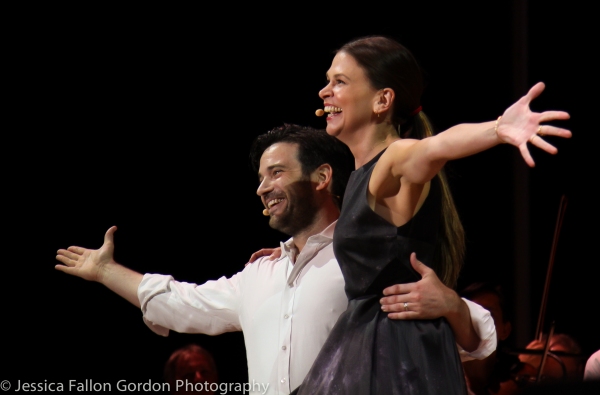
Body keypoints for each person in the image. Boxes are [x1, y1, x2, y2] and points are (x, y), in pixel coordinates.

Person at [55, 124, 496, 395]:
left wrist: (452, 305)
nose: (262, 188)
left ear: (322, 177)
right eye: (260, 177)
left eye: (277, 172)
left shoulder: (365, 260)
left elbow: (475, 336)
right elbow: (180, 302)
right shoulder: (259, 274)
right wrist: (104, 270)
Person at [293, 35, 571, 395]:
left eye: (340, 82)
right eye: (328, 80)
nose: (324, 91)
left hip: (395, 356)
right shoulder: (364, 175)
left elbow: (435, 148)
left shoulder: (394, 157)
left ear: (382, 100)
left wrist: (498, 129)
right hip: (375, 344)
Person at [459, 282, 520, 395]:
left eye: (488, 315)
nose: (477, 322)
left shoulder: (517, 376)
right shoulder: (445, 373)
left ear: (505, 331)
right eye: (469, 314)